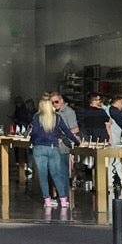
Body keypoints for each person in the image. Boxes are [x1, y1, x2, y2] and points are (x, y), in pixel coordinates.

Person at [28, 93, 79, 221]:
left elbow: (32, 133)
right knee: (57, 174)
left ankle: (48, 200)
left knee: (43, 175)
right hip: (53, 148)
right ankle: (63, 200)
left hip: (39, 148)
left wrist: (32, 142)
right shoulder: (57, 117)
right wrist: (76, 141)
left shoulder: (36, 117)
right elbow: (67, 131)